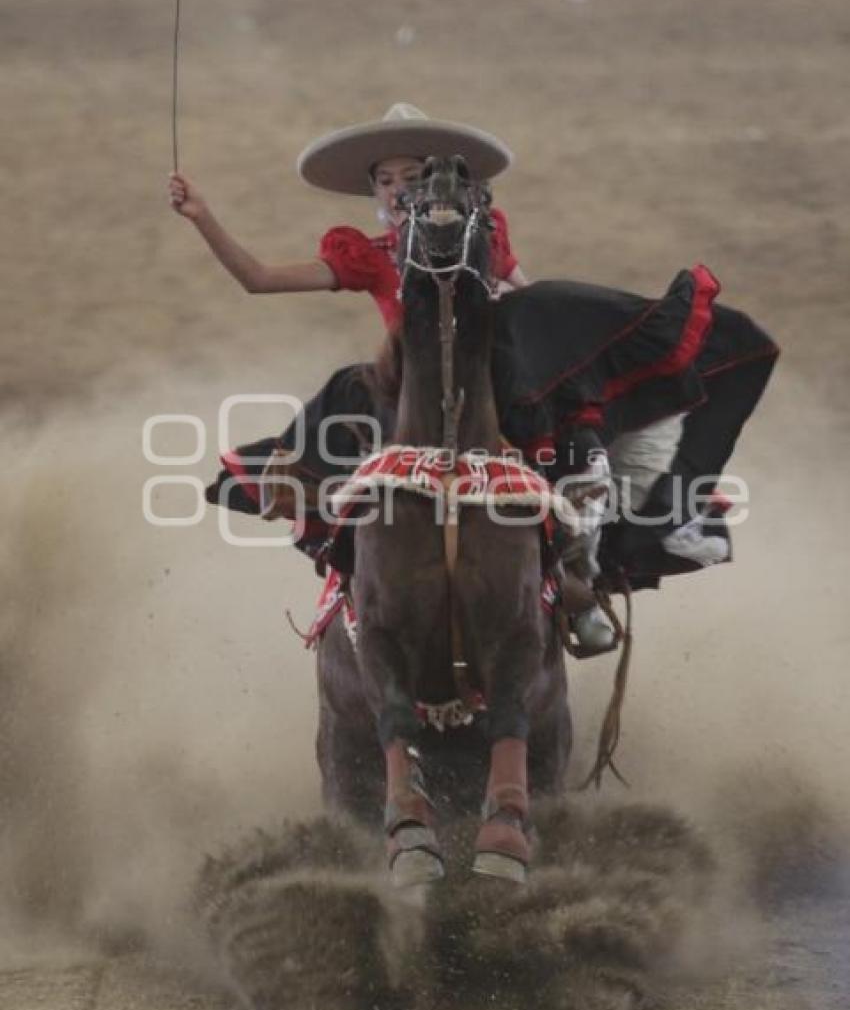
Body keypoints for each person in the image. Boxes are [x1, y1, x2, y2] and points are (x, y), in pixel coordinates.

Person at [169, 104, 778, 650]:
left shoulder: (483, 240)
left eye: (412, 177)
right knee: (347, 429)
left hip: (499, 380)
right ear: (374, 192)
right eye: (386, 180)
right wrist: (202, 217)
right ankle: (359, 590)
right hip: (410, 385)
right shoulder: (371, 256)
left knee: (580, 453)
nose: (399, 189)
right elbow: (259, 278)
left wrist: (572, 343)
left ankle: (580, 585)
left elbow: (523, 290)